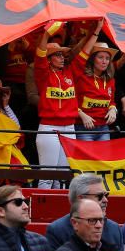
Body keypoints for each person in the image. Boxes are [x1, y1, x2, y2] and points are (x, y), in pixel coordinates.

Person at [34, 28, 78, 189]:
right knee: (48, 177)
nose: (62, 58)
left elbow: (81, 54)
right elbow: (39, 55)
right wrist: (46, 33)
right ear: (49, 59)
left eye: (62, 55)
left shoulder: (69, 73)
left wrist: (94, 32)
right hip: (49, 128)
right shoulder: (43, 74)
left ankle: (58, 212)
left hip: (70, 128)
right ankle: (40, 213)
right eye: (58, 55)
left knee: (63, 178)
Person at [46, 174, 124, 251]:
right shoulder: (57, 231)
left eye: (106, 195)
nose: (106, 200)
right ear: (81, 199)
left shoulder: (114, 229)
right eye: (99, 196)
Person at [69, 21, 118, 141]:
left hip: (104, 128)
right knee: (86, 160)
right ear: (92, 59)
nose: (104, 61)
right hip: (83, 127)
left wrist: (113, 109)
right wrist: (96, 31)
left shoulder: (110, 80)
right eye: (100, 57)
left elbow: (111, 101)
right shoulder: (80, 75)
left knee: (104, 160)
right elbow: (69, 100)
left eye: (107, 58)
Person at [52, 198, 125, 251]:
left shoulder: (111, 249)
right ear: (75, 223)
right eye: (92, 220)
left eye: (101, 220)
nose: (99, 225)